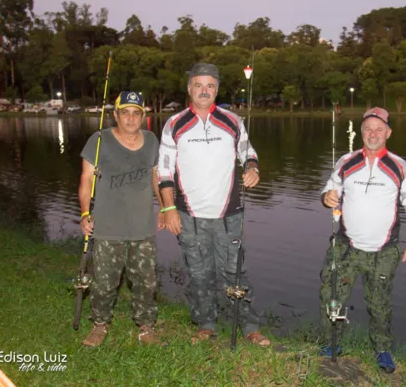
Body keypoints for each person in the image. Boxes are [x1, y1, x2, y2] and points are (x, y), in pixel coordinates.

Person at [158, 63, 271, 346]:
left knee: (236, 272)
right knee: (199, 274)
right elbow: (164, 171)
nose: (204, 91)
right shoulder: (174, 124)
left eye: (210, 85)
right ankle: (206, 323)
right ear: (189, 89)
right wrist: (169, 208)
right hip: (189, 215)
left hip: (228, 215)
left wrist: (254, 169)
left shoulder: (232, 121)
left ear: (217, 89)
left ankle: (249, 326)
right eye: (198, 85)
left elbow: (249, 152)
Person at [319, 107, 406, 373]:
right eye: (367, 129)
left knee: (380, 305)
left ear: (388, 132)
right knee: (331, 296)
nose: (372, 133)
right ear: (360, 133)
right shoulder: (346, 161)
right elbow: (329, 191)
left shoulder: (400, 166)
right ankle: (332, 343)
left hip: (383, 252)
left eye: (378, 129)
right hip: (345, 247)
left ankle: (382, 349)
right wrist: (327, 198)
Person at [78, 91, 165, 347]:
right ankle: (99, 324)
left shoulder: (151, 141)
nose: (130, 118)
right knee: (104, 283)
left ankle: (146, 326)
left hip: (142, 226)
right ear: (115, 115)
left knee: (146, 283)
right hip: (107, 226)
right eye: (124, 112)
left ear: (143, 116)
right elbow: (86, 178)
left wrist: (163, 207)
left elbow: (155, 177)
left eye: (135, 113)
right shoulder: (99, 139)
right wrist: (85, 213)